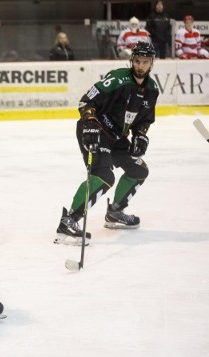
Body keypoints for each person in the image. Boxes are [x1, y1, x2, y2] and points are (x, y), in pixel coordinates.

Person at [54, 41, 159, 245]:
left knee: (139, 170)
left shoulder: (152, 90)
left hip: (117, 137)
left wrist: (141, 135)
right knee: (103, 175)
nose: (140, 66)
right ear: (132, 60)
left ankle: (115, 212)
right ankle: (69, 221)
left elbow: (144, 120)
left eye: (145, 62)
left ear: (151, 63)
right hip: (95, 130)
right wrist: (91, 122)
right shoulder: (119, 79)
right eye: (137, 61)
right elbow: (86, 101)